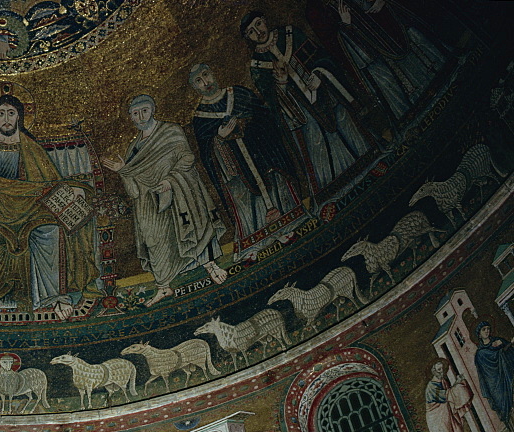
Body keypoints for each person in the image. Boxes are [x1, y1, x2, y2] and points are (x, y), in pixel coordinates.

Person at [0, 92, 99, 321]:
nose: (6, 118)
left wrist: (73, 188)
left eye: (11, 113)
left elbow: (49, 182)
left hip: (32, 212)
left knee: (51, 232)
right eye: (1, 113)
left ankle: (56, 297)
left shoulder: (30, 148)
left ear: (19, 117)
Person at [102, 95, 226, 306]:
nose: (140, 117)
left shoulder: (170, 131)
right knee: (153, 239)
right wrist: (123, 171)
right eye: (135, 113)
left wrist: (170, 180)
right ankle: (163, 286)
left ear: (153, 109)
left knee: (192, 226)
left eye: (144, 111)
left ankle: (210, 265)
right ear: (130, 117)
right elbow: (133, 190)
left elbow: (187, 157)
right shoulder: (132, 148)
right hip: (148, 203)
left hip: (178, 192)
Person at [242, 11, 369, 195]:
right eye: (251, 32)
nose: (258, 32)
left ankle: (366, 157)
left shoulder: (290, 34)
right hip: (300, 110)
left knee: (343, 119)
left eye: (258, 24)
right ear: (248, 38)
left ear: (265, 20)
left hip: (324, 92)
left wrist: (318, 73)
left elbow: (322, 56)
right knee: (315, 138)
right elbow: (270, 101)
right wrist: (281, 83)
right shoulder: (257, 65)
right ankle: (334, 185)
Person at [189, 65, 302, 257]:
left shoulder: (239, 94)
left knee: (275, 183)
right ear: (194, 87)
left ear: (214, 73)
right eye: (198, 81)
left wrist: (246, 125)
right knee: (244, 198)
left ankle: (290, 222)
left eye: (206, 75)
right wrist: (218, 138)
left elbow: (266, 118)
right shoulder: (200, 117)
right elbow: (206, 157)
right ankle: (254, 241)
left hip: (262, 156)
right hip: (235, 170)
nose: (206, 83)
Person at [305, 0, 446, 129]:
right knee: (393, 83)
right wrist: (346, 24)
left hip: (386, 28)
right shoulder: (315, 9)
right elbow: (332, 44)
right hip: (366, 53)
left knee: (417, 51)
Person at [425, 359, 477, 432]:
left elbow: (449, 393)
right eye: (438, 369)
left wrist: (457, 383)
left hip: (446, 413)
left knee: (458, 431)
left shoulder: (443, 381)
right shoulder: (431, 387)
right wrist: (458, 385)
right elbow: (446, 395)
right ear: (433, 371)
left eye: (442, 369)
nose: (441, 371)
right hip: (437, 419)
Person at [474, 321, 514, 428]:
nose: (487, 331)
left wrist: (507, 346)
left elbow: (511, 353)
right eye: (484, 329)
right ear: (479, 334)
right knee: (508, 410)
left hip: (509, 376)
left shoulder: (498, 340)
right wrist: (502, 349)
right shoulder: (480, 354)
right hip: (496, 385)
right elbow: (488, 370)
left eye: (488, 328)